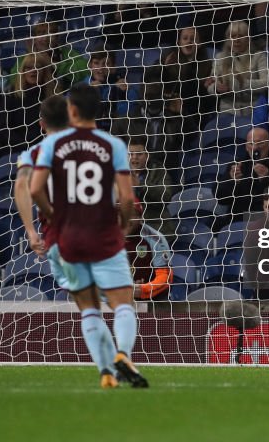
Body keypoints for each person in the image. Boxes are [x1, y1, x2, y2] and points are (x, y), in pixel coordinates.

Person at [30, 84, 147, 389]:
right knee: (123, 304)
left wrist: (54, 215)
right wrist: (121, 227)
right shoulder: (113, 146)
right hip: (103, 232)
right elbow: (126, 198)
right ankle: (123, 353)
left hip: (68, 236)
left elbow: (35, 189)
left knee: (89, 308)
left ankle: (105, 372)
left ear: (72, 111)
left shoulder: (54, 144)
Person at [14, 95, 69, 257]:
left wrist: (31, 232)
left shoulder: (31, 155)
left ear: (42, 124)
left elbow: (20, 186)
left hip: (56, 235)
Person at [205, 20, 269, 116]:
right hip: (228, 111)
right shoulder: (220, 57)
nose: (237, 40)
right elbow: (211, 83)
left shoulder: (259, 56)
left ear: (248, 39)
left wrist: (244, 83)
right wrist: (217, 88)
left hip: (253, 111)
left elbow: (268, 82)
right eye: (233, 36)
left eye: (241, 36)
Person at [125, 201, 173, 300]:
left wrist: (142, 289)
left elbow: (166, 277)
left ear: (140, 218)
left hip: (151, 300)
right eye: (123, 214)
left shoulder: (155, 238)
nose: (127, 219)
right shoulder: (103, 239)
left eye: (132, 214)